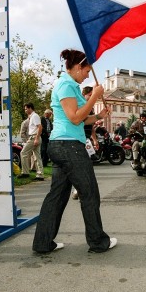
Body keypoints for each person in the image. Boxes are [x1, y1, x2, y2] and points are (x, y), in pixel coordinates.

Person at [32, 49, 116, 254]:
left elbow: (83, 118)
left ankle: (43, 243)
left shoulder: (71, 86)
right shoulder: (66, 84)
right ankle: (97, 241)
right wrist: (94, 97)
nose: (88, 75)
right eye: (86, 71)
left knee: (57, 196)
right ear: (78, 67)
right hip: (69, 146)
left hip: (62, 145)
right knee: (89, 194)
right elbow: (75, 118)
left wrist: (98, 116)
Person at [19, 103, 44, 181]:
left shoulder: (34, 116)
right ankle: (40, 175)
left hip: (34, 137)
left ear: (30, 108)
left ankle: (25, 172)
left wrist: (36, 138)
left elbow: (40, 127)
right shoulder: (32, 116)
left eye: (26, 109)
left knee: (23, 153)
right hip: (34, 137)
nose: (25, 110)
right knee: (37, 156)